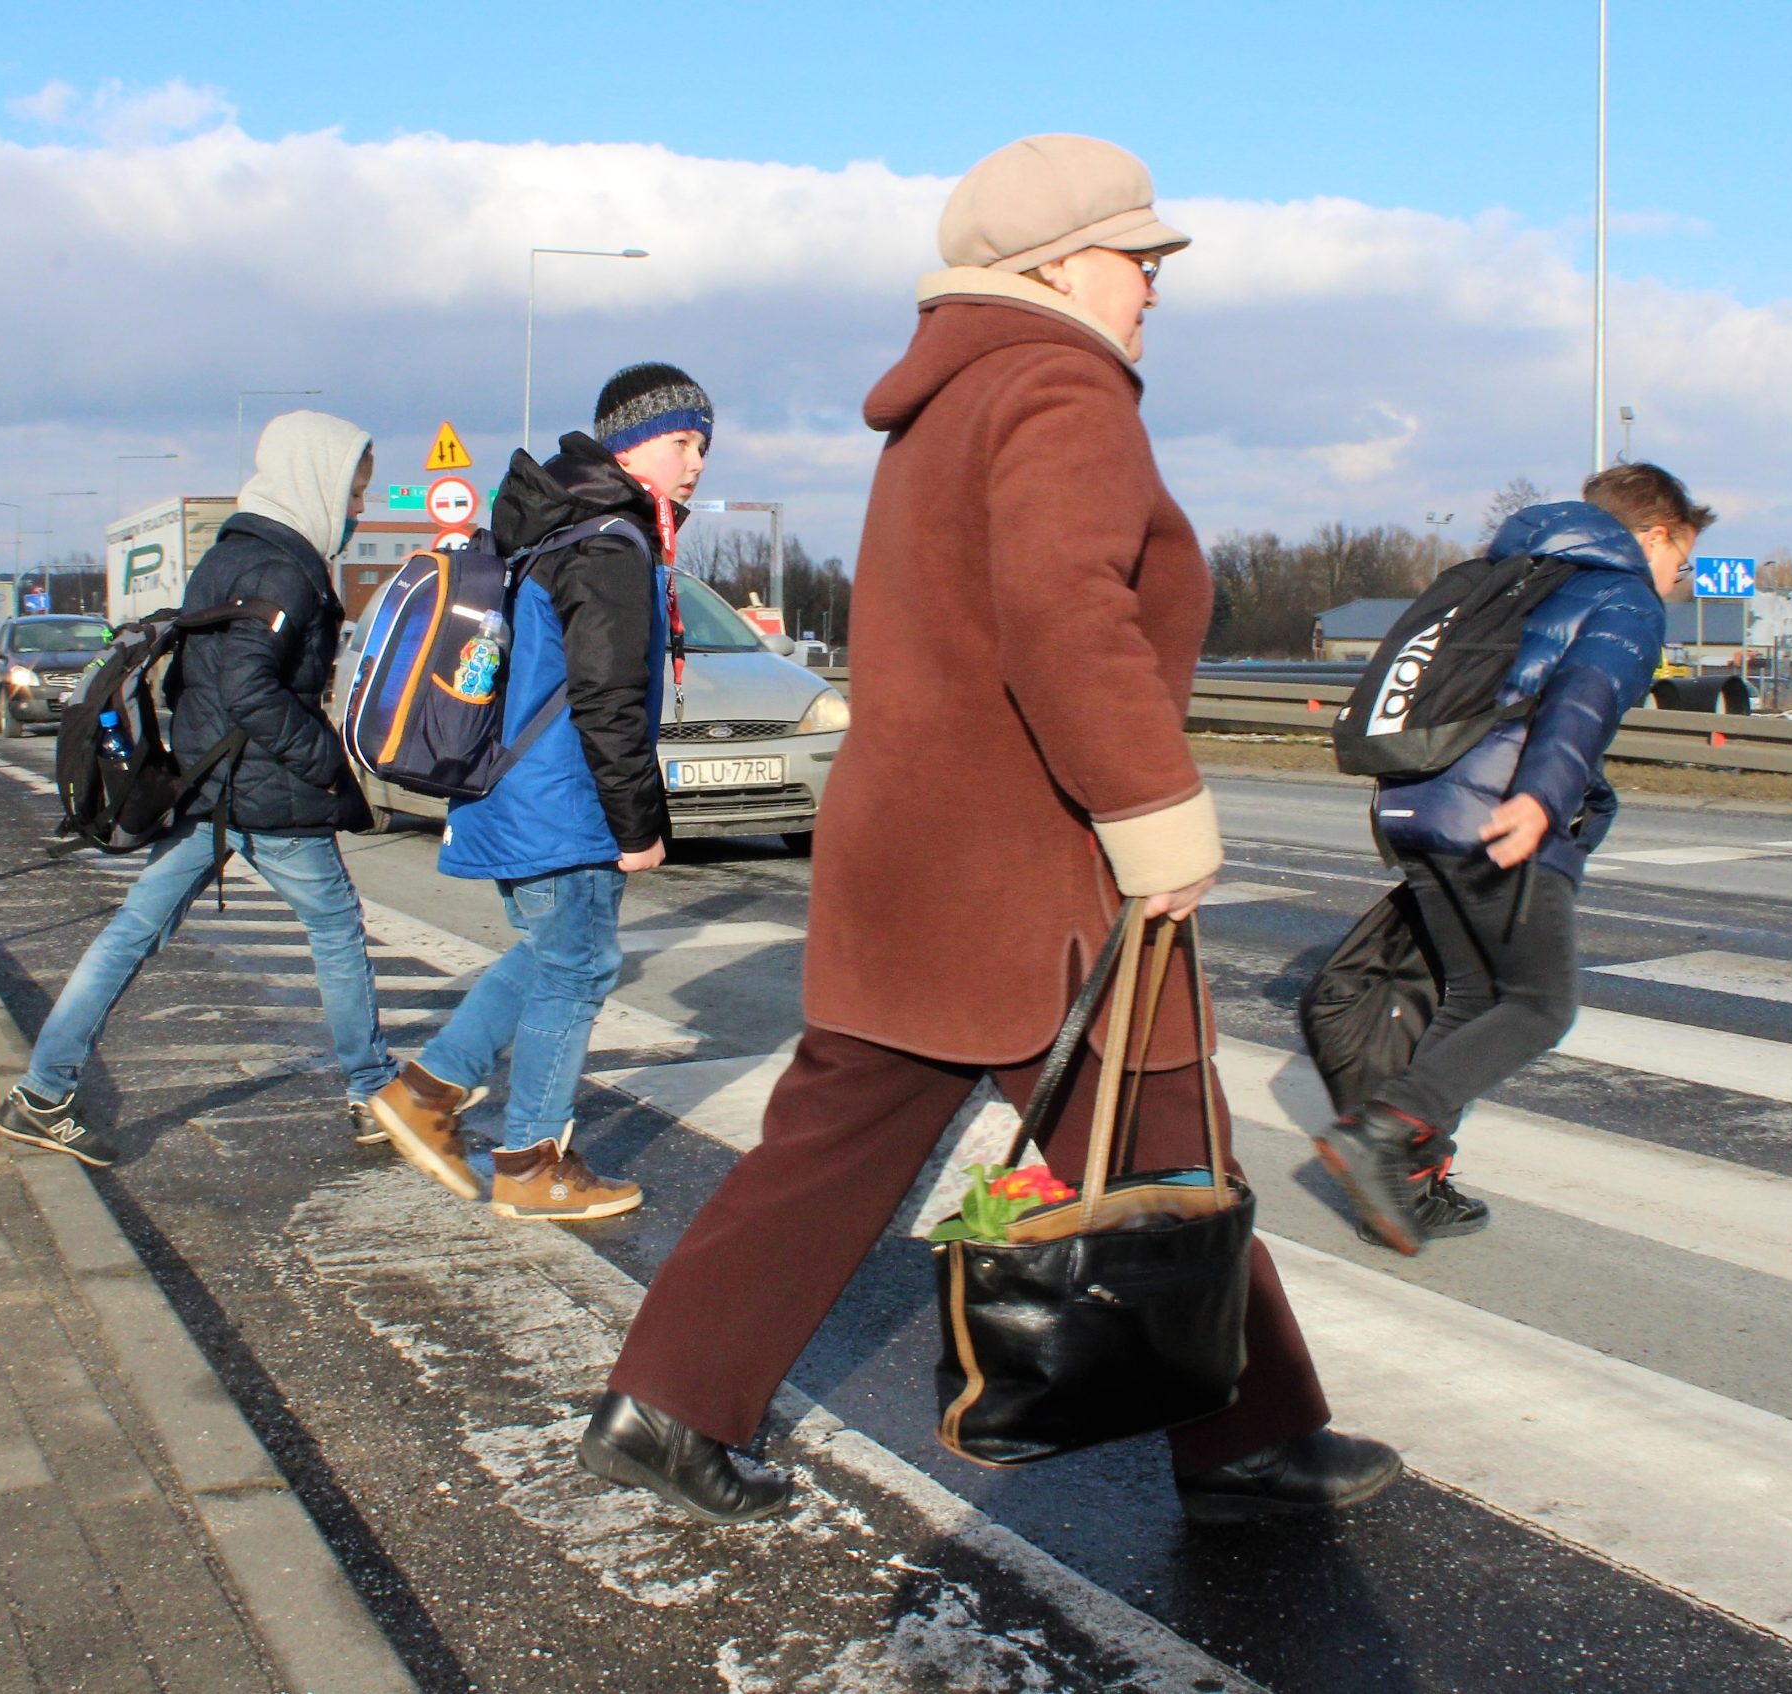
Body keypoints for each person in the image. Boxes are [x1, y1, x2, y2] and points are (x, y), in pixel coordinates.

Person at [578, 136, 1399, 1528]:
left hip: (915, 862)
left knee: (844, 1149)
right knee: (1160, 1140)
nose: (1152, 284)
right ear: (1054, 265)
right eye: (1136, 257)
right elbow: (1064, 616)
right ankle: (1248, 1442)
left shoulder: (947, 402)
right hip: (1031, 874)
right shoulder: (1061, 386)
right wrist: (1152, 808)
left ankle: (668, 1402)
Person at [1313, 463, 1710, 1253]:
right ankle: (1381, 1135)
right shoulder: (1622, 595)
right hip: (1494, 813)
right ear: (1656, 534)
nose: (1679, 577)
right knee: (1539, 1004)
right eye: (1685, 559)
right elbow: (1583, 701)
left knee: (1470, 997)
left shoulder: (1507, 578)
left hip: (1410, 805)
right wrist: (1539, 800)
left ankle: (1412, 1185)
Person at [0, 411, 397, 1165]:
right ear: (315, 481)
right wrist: (324, 760)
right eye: (352, 493)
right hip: (266, 792)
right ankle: (372, 1091)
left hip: (206, 786)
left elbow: (189, 676)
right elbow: (251, 687)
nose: (357, 510)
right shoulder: (287, 570)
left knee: (131, 936)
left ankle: (42, 1092)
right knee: (336, 931)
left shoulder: (229, 555)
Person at [365, 365, 699, 1222]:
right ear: (628, 446)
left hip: (514, 791)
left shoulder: (554, 530)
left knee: (551, 957)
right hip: (565, 801)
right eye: (680, 442)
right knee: (579, 968)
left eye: (702, 445)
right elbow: (608, 701)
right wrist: (639, 825)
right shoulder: (610, 545)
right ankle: (531, 1161)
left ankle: (429, 1092)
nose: (695, 462)